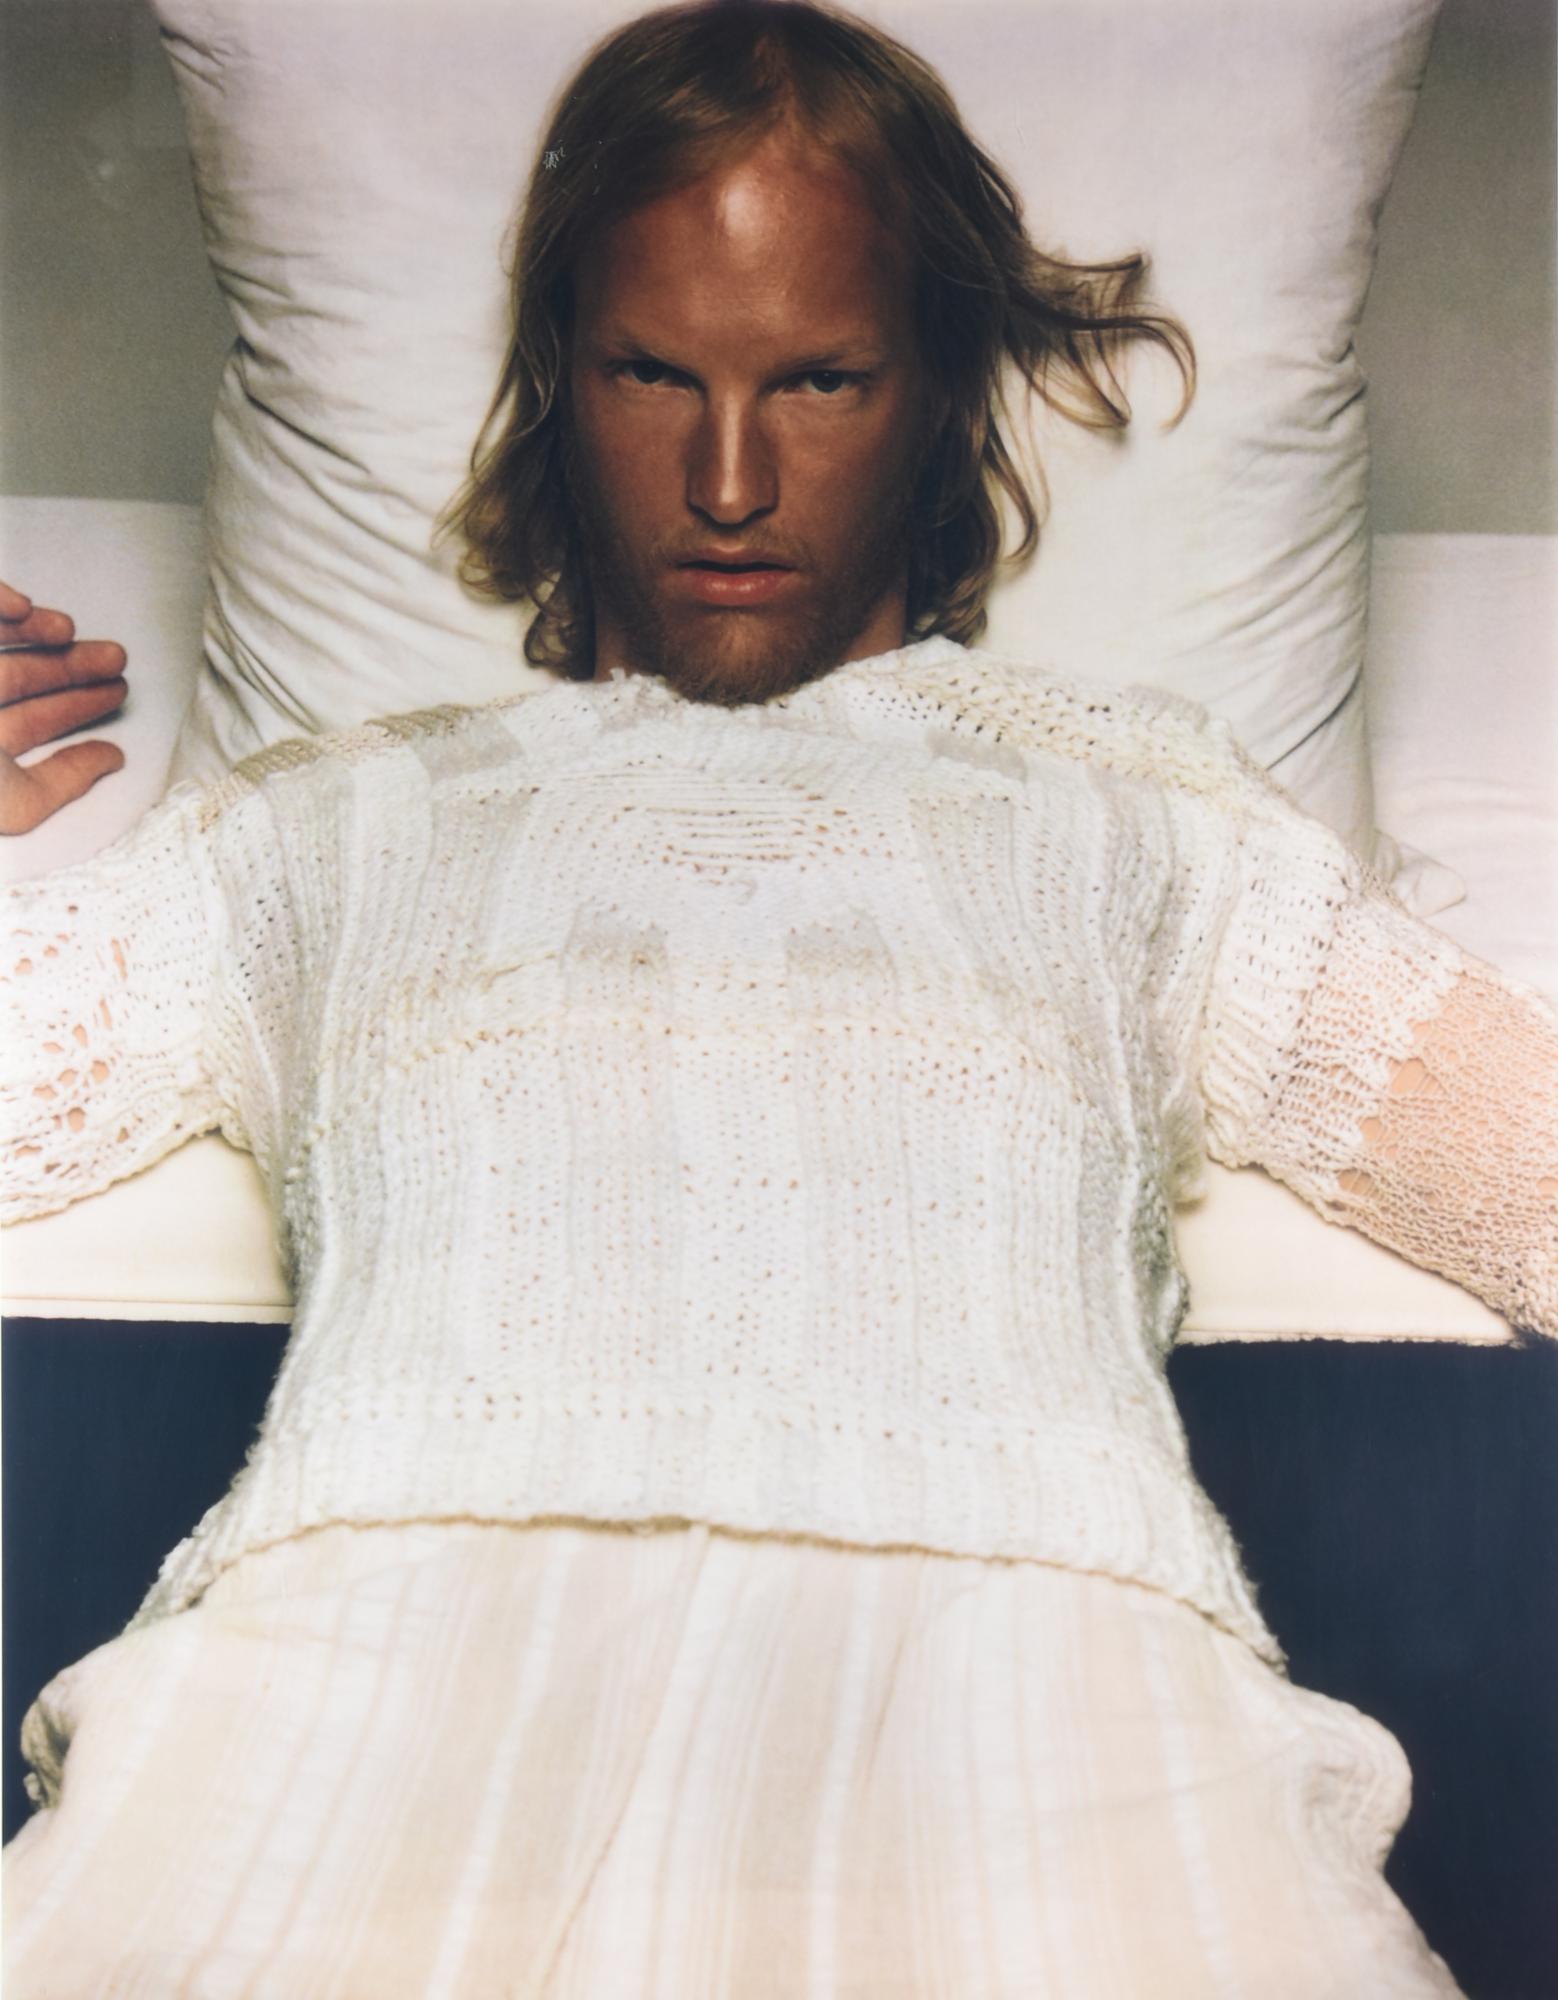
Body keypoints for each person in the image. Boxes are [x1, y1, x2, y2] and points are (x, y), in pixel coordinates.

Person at [2, 3, 1553, 1993]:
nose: (727, 480)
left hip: (1053, 1744)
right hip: (354, 1712)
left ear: (934, 391)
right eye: (651, 373)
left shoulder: (1144, 826)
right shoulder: (326, 831)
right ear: (559, 378)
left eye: (817, 380)